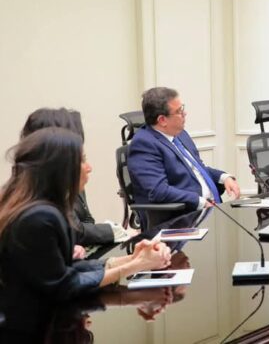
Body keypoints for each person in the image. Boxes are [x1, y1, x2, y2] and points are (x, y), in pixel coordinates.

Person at [0, 128, 171, 340]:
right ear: (61, 169)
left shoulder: (40, 208)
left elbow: (68, 268)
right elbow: (64, 285)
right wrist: (135, 266)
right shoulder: (40, 217)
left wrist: (131, 259)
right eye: (82, 161)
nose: (89, 168)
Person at [20, 108, 131, 246]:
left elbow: (86, 221)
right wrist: (115, 232)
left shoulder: (68, 179)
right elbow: (76, 231)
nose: (88, 168)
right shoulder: (40, 211)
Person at [128, 87, 241, 214]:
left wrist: (224, 178)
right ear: (162, 120)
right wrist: (200, 202)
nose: (185, 113)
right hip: (184, 215)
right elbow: (159, 191)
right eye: (179, 111)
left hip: (211, 208)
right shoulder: (144, 144)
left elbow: (198, 169)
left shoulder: (180, 134)